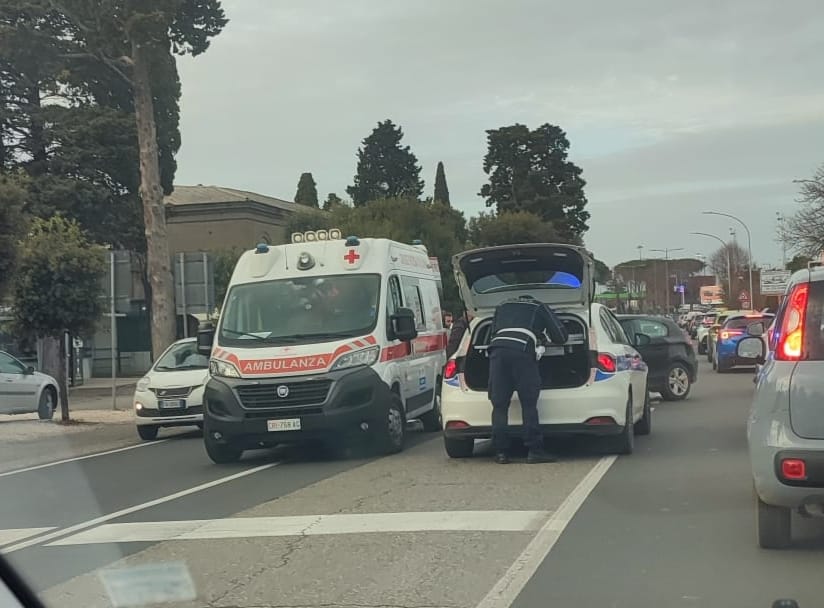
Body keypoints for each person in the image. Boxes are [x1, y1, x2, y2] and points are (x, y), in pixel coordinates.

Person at [487, 295, 568, 464]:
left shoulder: (502, 305)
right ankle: (535, 450)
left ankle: (501, 452)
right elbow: (561, 337)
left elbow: (492, 333)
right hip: (522, 352)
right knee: (528, 403)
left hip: (497, 351)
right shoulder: (539, 306)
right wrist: (541, 338)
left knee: (499, 405)